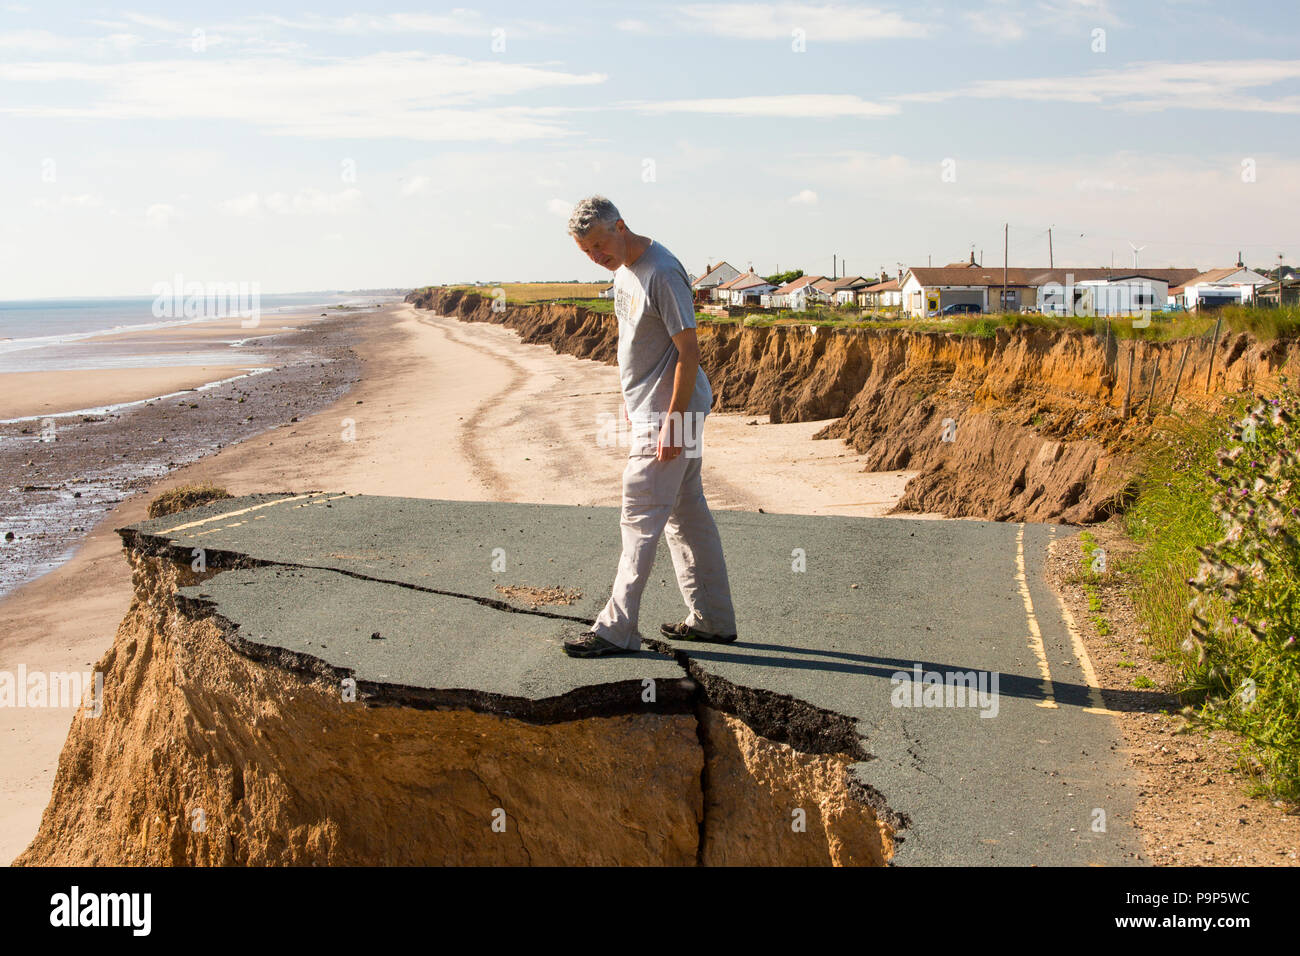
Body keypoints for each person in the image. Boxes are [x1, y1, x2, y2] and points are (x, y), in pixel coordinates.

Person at [563, 195, 738, 657]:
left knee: (640, 515)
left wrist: (672, 422)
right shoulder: (622, 270)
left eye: (599, 244)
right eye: (587, 252)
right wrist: (629, 399)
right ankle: (713, 621)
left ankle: (615, 630)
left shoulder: (661, 271)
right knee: (687, 511)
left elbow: (689, 353)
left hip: (671, 414)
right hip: (651, 409)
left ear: (620, 226)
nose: (596, 257)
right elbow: (634, 341)